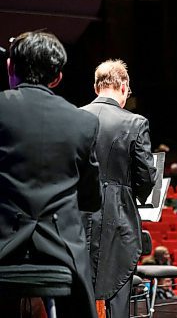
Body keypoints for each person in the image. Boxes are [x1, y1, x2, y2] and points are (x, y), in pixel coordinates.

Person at [0, 31, 101, 318]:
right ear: (56, 78)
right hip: (61, 250)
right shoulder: (83, 122)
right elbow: (91, 198)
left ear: (10, 67)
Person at [81, 59, 157, 318]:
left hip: (78, 218)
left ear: (95, 86)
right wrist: (136, 193)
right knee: (117, 300)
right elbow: (145, 176)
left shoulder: (75, 117)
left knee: (80, 295)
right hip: (119, 219)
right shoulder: (135, 123)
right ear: (124, 88)